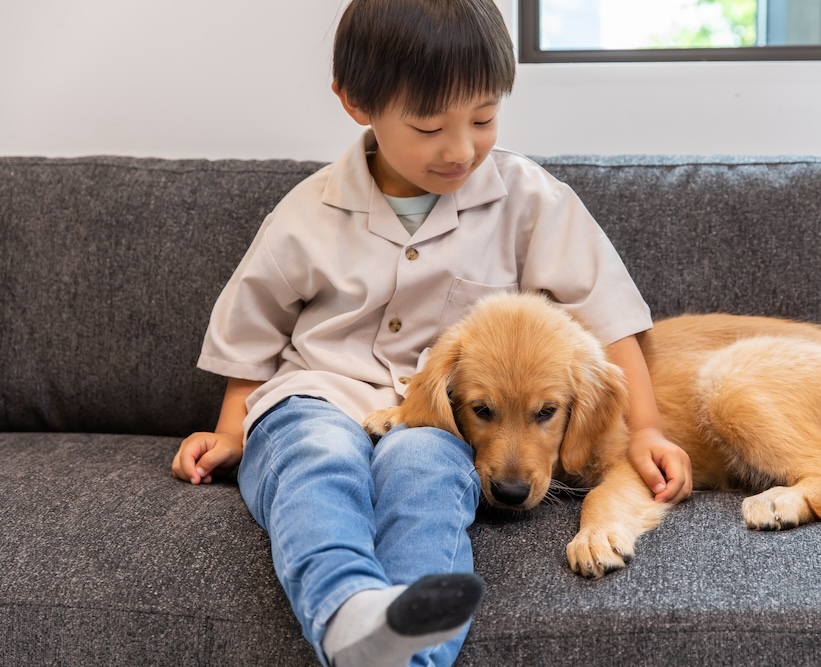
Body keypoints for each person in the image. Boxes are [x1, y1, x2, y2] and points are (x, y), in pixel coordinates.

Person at [171, 0, 693, 665]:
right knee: (316, 460)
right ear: (357, 103)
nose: (460, 148)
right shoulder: (306, 213)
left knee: (425, 476)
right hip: (318, 395)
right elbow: (252, 332)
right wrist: (230, 430)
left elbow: (609, 317)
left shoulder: (531, 200)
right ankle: (346, 610)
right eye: (429, 125)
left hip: (437, 421)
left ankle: (414, 655)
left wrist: (645, 427)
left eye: (483, 118)